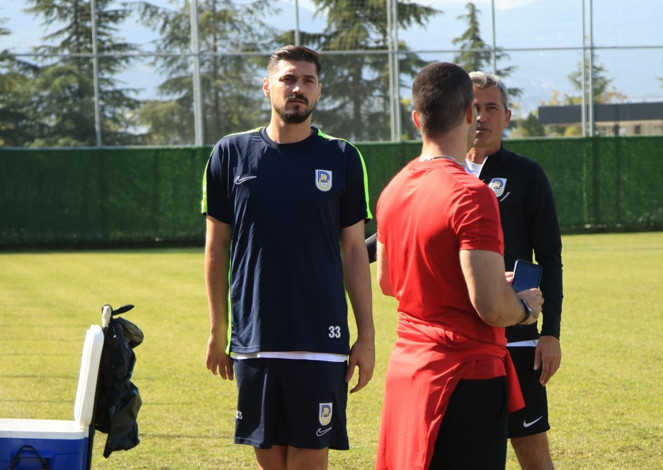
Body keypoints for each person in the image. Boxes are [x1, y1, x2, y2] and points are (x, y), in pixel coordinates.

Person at [201, 45, 375, 470]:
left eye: (308, 81)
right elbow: (216, 249)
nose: (298, 88)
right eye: (288, 79)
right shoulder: (229, 154)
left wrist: (366, 335)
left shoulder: (343, 157)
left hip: (321, 339)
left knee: (309, 461)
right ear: (267, 87)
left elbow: (354, 251)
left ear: (318, 92)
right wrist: (218, 330)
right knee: (271, 459)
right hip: (255, 338)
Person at [374, 61, 544, 470]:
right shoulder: (471, 193)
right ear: (470, 113)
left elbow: (388, 281)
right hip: (464, 378)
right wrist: (524, 307)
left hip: (409, 372)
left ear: (417, 118)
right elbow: (490, 307)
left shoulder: (392, 190)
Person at [466, 71, 564, 470]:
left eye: (491, 108)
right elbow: (390, 234)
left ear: (507, 117)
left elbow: (550, 259)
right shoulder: (439, 173)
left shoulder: (526, 175)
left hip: (517, 340)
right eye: (472, 107)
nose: (480, 117)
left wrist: (550, 333)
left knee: (533, 455)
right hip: (461, 341)